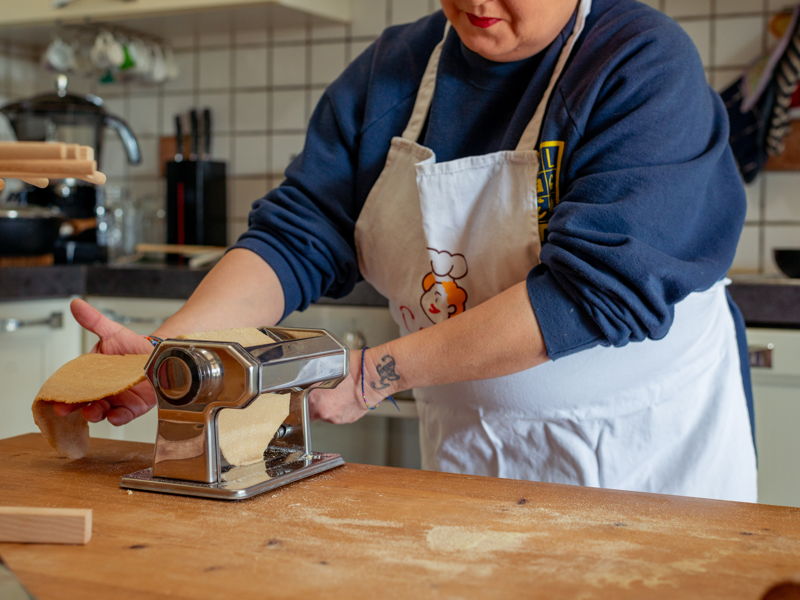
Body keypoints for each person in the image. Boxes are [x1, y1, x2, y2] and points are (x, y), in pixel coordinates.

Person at [61, 0, 758, 502]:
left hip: (647, 451)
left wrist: (374, 373)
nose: (478, 2)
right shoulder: (391, 72)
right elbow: (297, 236)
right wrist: (178, 346)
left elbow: (594, 292)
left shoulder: (637, 61)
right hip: (476, 448)